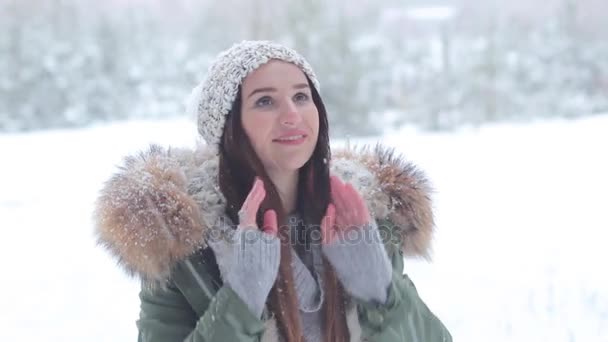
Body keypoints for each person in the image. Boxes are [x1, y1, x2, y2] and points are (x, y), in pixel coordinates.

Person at [94, 40, 452, 342]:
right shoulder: (181, 243)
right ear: (230, 126)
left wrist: (381, 289)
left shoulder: (360, 219)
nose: (292, 114)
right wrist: (242, 293)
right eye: (265, 101)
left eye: (301, 96)